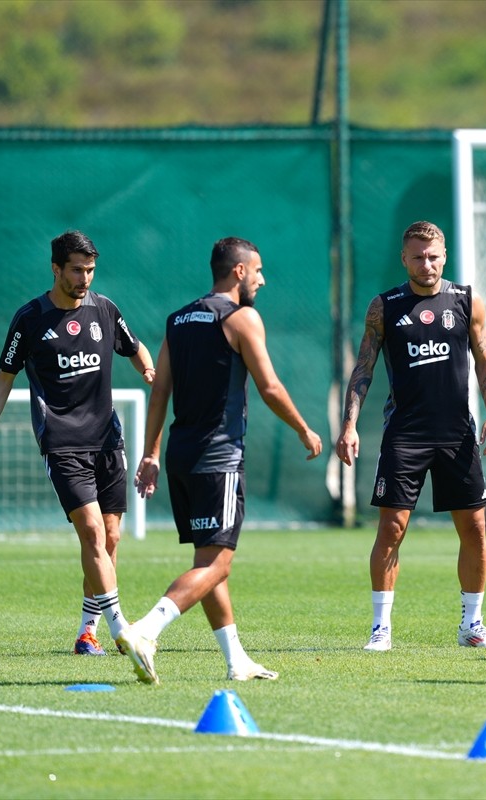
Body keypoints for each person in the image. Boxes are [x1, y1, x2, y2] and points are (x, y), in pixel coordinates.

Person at [117, 236, 322, 685]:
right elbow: (269, 386)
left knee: (208, 561)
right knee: (217, 564)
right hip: (219, 456)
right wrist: (304, 429)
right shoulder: (241, 317)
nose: (263, 280)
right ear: (239, 271)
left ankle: (237, 660)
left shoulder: (177, 319)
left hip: (180, 455)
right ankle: (145, 630)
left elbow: (160, 391)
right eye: (259, 270)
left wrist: (151, 453)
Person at [0, 231, 154, 656]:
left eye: (90, 270)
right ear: (55, 269)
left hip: (108, 440)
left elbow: (134, 347)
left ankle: (88, 633)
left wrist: (148, 371)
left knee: (110, 537)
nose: (85, 278)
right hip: (63, 442)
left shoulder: (105, 309)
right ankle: (122, 629)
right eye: (76, 270)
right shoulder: (30, 318)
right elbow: (4, 378)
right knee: (91, 531)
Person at [335, 220, 486, 652]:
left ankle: (472, 625)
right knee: (392, 529)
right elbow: (363, 367)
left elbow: (485, 360)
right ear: (404, 259)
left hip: (457, 434)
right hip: (405, 435)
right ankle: (381, 629)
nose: (426, 264)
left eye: (432, 257)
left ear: (444, 257)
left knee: (475, 529)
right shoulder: (385, 307)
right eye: (417, 257)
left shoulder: (466, 301)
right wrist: (349, 425)